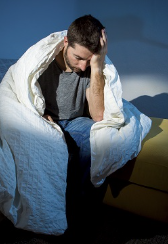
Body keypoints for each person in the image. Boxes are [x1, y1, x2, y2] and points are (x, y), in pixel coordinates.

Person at [38, 14, 108, 234]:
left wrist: (96, 67)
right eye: (78, 57)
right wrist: (39, 115)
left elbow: (98, 115)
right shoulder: (43, 63)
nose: (83, 65)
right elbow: (23, 95)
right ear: (66, 42)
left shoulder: (90, 67)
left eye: (89, 59)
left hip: (77, 121)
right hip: (48, 120)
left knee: (98, 135)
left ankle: (83, 210)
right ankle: (64, 212)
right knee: (58, 149)